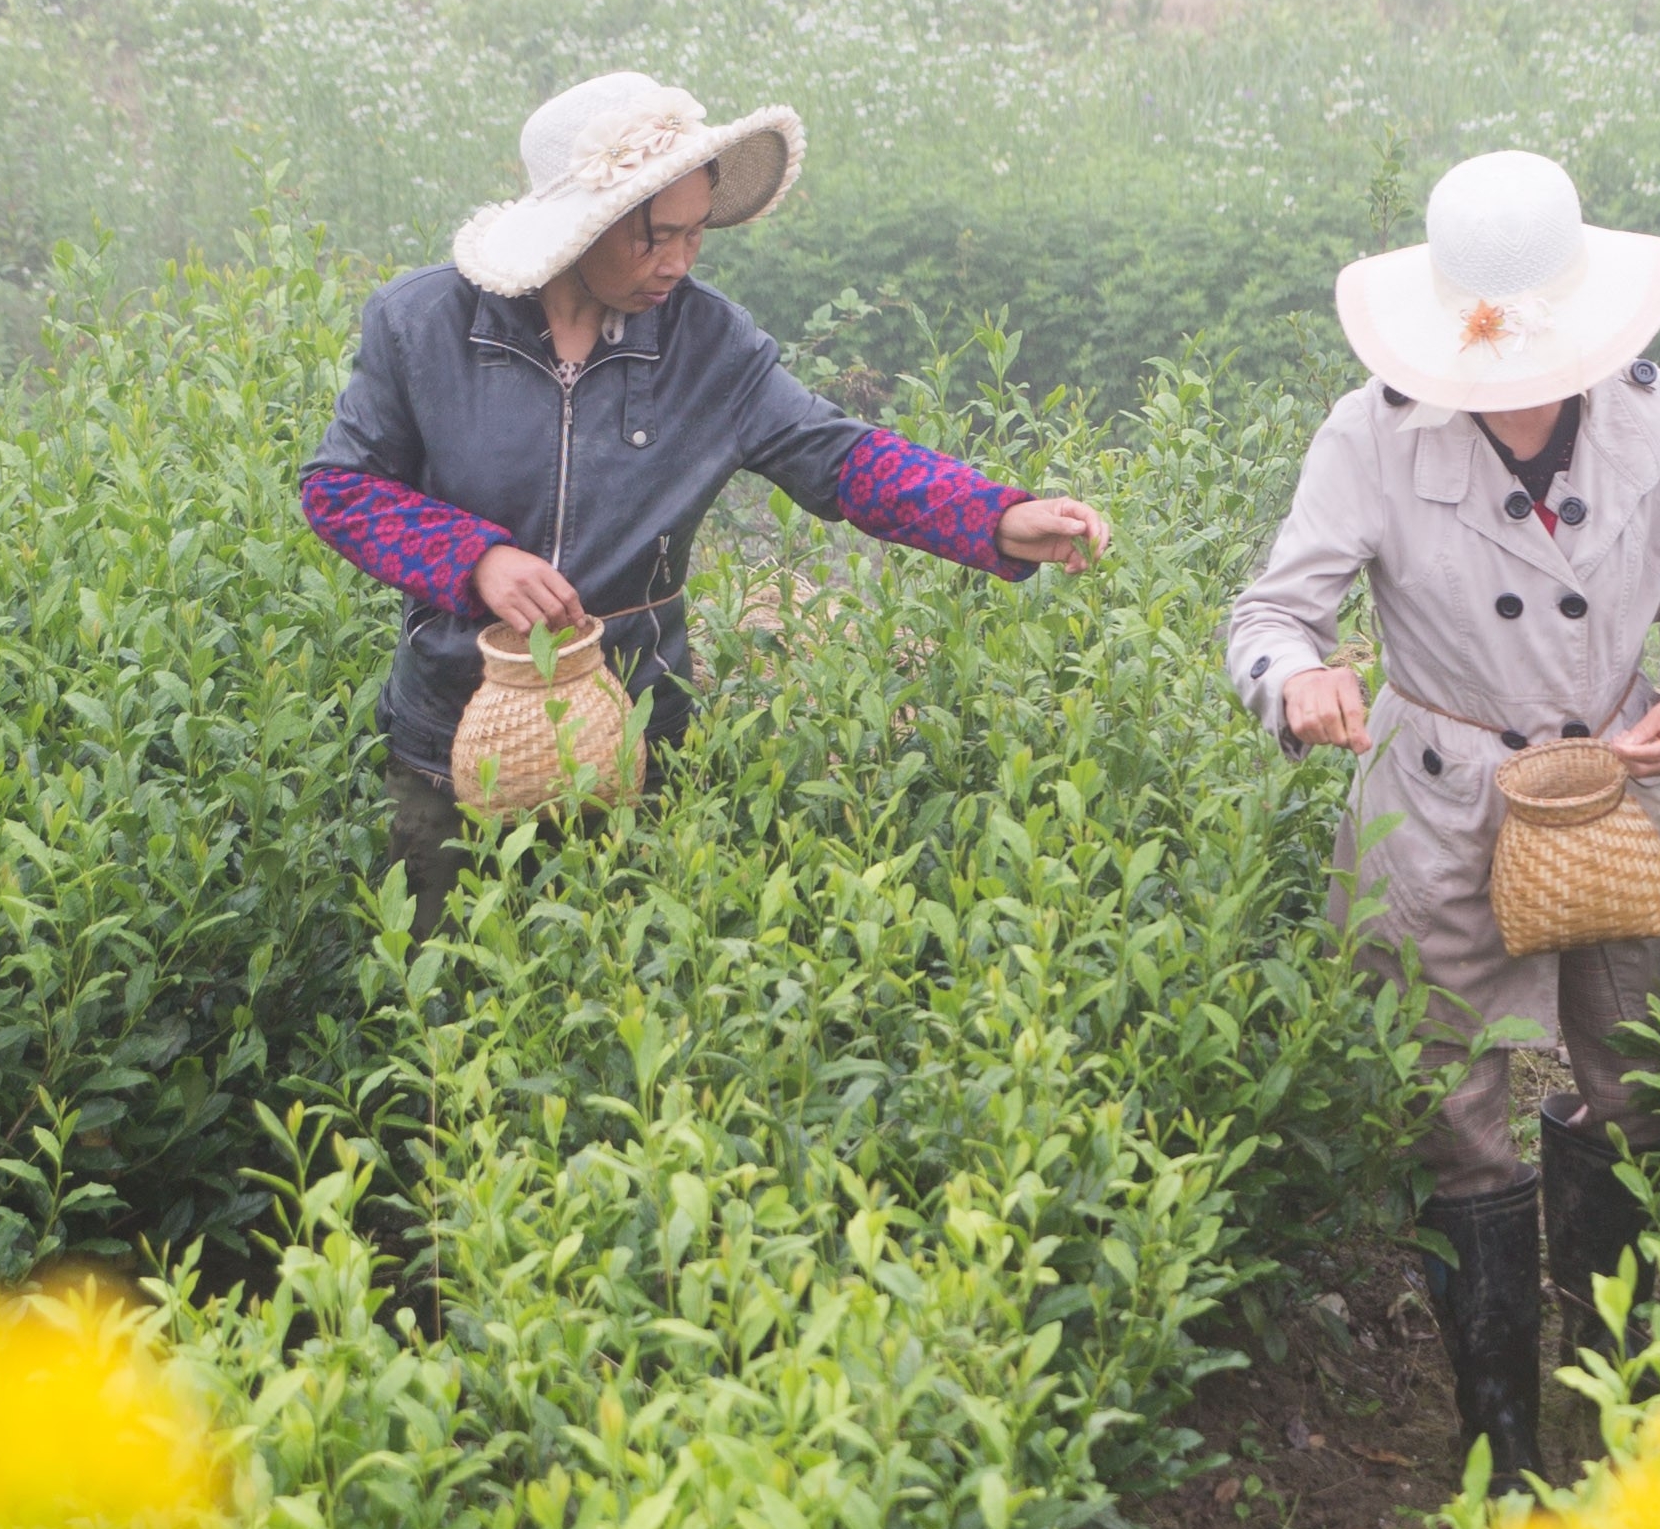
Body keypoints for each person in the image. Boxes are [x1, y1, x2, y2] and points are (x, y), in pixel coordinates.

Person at [1221, 150, 1660, 1487]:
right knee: (1450, 1112)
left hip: (1624, 791)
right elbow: (1272, 616)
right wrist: (1299, 685)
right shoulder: (1374, 432)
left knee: (1639, 1086)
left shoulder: (1655, 415)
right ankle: (1500, 1441)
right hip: (1445, 801)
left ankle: (1613, 1381)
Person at [297, 70, 1112, 918]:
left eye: (694, 235)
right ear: (582, 227)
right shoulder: (424, 324)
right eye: (654, 238)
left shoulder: (708, 342)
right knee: (448, 986)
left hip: (637, 735)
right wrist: (476, 560)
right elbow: (339, 489)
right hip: (453, 735)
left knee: (624, 991)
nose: (677, 263)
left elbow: (840, 458)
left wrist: (994, 516)